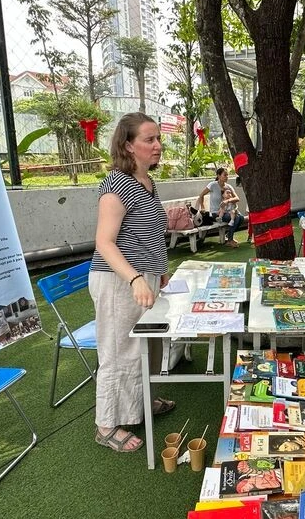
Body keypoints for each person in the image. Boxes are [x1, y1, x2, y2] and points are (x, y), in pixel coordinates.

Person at [89, 113, 176, 453]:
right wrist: (137, 277)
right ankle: (106, 424)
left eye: (158, 139)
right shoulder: (116, 184)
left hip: (146, 278)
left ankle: (142, 403)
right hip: (119, 281)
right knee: (118, 351)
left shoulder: (149, 183)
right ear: (128, 145)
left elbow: (150, 234)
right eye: (149, 140)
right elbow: (105, 242)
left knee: (149, 345)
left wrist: (160, 269)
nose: (157, 146)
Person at [195, 168, 246, 247]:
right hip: (216, 213)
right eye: (225, 175)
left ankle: (228, 236)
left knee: (241, 218)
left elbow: (237, 198)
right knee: (236, 218)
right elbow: (201, 195)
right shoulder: (212, 185)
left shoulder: (228, 187)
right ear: (218, 176)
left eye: (227, 175)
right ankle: (230, 240)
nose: (227, 177)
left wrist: (227, 201)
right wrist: (203, 207)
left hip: (228, 211)